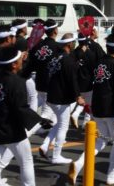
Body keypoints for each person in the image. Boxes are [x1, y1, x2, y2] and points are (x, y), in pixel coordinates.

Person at [68, 33, 114, 185]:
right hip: (113, 111)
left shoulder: (99, 63)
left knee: (101, 142)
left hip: (98, 108)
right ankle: (111, 175)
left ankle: (79, 164)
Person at [0, 46, 52, 186]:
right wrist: (40, 120)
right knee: (26, 161)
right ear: (14, 64)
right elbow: (21, 108)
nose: (22, 61)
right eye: (20, 59)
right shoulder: (16, 82)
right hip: (12, 130)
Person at [40, 34, 85, 164]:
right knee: (63, 126)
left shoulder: (55, 58)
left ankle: (45, 145)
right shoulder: (68, 60)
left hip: (52, 95)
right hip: (61, 97)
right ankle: (56, 156)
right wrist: (78, 96)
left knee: (60, 123)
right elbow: (72, 80)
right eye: (73, 42)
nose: (75, 44)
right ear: (69, 44)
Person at [21, 19, 61, 123]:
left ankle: (51, 137)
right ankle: (28, 131)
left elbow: (30, 66)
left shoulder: (36, 47)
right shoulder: (58, 48)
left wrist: (21, 77)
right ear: (55, 31)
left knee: (55, 116)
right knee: (47, 114)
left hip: (39, 83)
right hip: (51, 85)